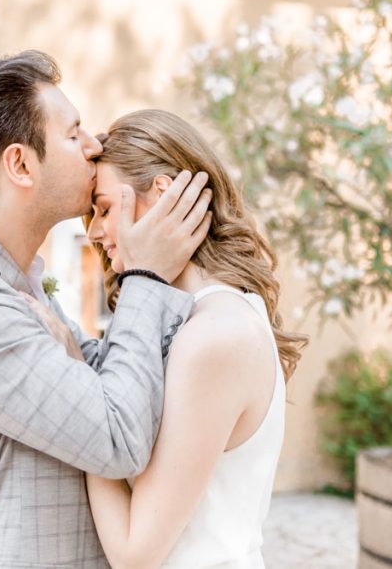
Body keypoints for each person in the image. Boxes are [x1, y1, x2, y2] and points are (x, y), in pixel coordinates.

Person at [0, 51, 213, 567]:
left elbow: (120, 384)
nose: (94, 147)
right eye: (73, 134)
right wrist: (146, 276)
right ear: (20, 164)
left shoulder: (11, 282)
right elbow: (118, 436)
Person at [35, 109, 307, 569]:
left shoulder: (215, 337)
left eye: (104, 208)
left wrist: (80, 401)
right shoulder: (207, 318)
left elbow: (133, 552)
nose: (96, 232)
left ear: (162, 196)